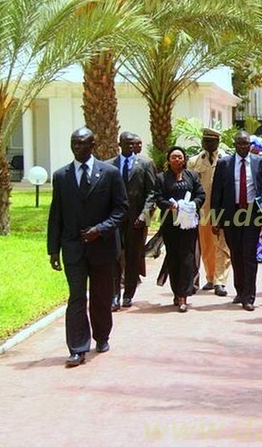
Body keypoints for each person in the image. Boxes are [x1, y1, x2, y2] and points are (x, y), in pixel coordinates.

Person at [47, 127, 128, 367]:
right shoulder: (61, 176)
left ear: (93, 145)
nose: (77, 147)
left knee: (102, 296)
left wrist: (100, 229)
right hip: (73, 248)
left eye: (82, 143)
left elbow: (121, 209)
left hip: (102, 248)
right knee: (76, 297)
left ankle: (102, 336)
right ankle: (77, 348)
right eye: (74, 143)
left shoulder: (110, 173)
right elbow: (56, 215)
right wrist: (53, 249)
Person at [211, 131, 262, 311]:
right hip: (231, 213)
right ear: (235, 145)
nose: (244, 147)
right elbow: (216, 192)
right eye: (240, 144)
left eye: (246, 144)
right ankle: (240, 290)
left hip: (252, 213)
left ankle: (249, 296)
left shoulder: (260, 162)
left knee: (249, 254)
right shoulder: (224, 163)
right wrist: (215, 219)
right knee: (235, 253)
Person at [107, 131, 155, 310]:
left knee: (133, 257)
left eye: (133, 144)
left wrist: (145, 214)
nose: (130, 146)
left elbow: (152, 192)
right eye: (126, 144)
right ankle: (114, 295)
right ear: (119, 144)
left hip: (136, 219)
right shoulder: (109, 166)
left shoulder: (145, 164)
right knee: (114, 256)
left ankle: (128, 294)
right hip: (114, 220)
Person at [154, 146, 205, 313]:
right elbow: (158, 197)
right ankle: (176, 291)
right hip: (170, 224)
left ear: (184, 159)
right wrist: (172, 206)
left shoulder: (193, 176)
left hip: (189, 225)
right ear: (169, 160)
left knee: (187, 259)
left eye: (180, 157)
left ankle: (184, 295)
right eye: (173, 157)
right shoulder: (161, 178)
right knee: (174, 258)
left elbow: (201, 194)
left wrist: (193, 205)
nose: (177, 160)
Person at [187, 128, 231, 298]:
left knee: (222, 245)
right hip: (202, 210)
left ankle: (221, 281)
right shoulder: (194, 161)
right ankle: (211, 277)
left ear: (218, 142)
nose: (208, 144)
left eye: (211, 141)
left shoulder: (226, 159)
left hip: (222, 210)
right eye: (205, 141)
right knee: (206, 247)